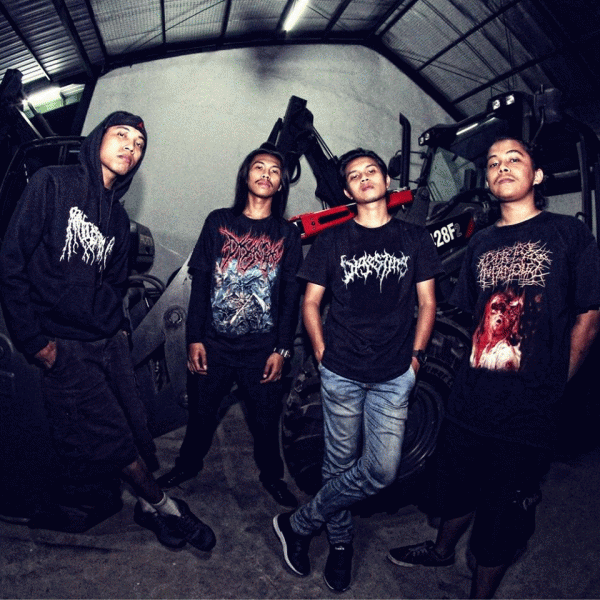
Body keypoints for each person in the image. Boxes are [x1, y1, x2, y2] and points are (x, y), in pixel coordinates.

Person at [387, 138, 600, 598]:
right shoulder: (480, 241)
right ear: (486, 180)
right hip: (469, 401)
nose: (502, 167)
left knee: (503, 518)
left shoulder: (569, 234)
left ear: (537, 175)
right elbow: (470, 317)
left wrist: (555, 382)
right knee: (457, 490)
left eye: (514, 159)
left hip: (528, 412)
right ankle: (441, 551)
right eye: (493, 163)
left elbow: (588, 315)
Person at [0, 111, 216, 551]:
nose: (130, 147)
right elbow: (11, 262)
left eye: (138, 144)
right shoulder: (51, 183)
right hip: (64, 344)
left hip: (107, 341)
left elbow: (114, 284)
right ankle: (165, 508)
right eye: (121, 135)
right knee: (108, 435)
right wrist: (34, 340)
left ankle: (142, 506)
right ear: (99, 137)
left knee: (134, 424)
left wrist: (119, 331)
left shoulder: (117, 219)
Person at [273, 148, 443, 592]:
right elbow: (311, 303)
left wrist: (416, 359)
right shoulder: (331, 240)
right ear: (348, 191)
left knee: (382, 470)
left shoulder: (415, 238)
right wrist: (322, 353)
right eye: (354, 175)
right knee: (338, 464)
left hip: (395, 374)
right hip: (341, 371)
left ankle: (300, 522)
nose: (364, 178)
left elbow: (428, 303)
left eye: (372, 171)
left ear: (387, 181)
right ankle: (341, 543)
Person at [156, 146, 302, 508]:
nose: (266, 174)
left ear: (281, 183)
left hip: (262, 350)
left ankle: (273, 477)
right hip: (215, 345)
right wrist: (194, 339)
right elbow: (201, 283)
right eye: (259, 167)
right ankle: (187, 465)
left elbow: (290, 297)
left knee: (266, 422)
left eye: (274, 170)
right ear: (246, 175)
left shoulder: (287, 234)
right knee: (201, 416)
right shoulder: (218, 221)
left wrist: (282, 350)